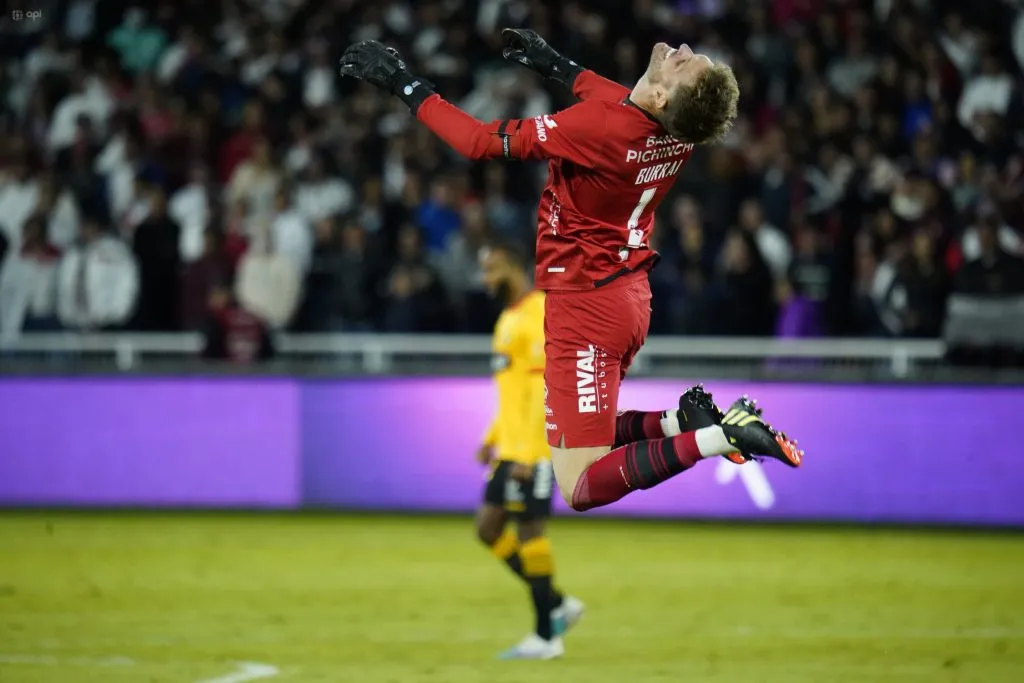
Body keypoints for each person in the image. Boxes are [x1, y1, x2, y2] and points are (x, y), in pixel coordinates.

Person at [340, 31, 802, 516]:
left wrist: (404, 84)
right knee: (570, 431)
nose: (681, 50)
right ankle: (680, 421)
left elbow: (479, 142)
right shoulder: (677, 127)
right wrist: (554, 64)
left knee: (580, 484)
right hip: (625, 294)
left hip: (586, 306)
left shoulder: (601, 127)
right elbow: (615, 100)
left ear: (663, 95)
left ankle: (718, 436)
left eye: (686, 63)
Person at [474, 241, 584, 660]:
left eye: (493, 268)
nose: (486, 279)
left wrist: (533, 452)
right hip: (510, 447)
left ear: (514, 268)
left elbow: (544, 390)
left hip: (533, 451)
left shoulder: (539, 311)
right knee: (487, 528)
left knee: (529, 534)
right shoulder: (507, 318)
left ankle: (546, 636)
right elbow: (513, 392)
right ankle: (557, 602)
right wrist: (493, 437)